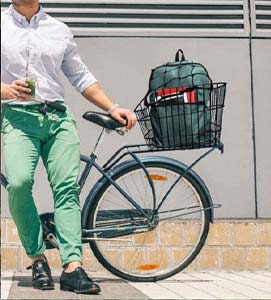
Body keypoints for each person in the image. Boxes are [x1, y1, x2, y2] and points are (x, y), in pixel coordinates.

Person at [1, 0, 136, 295]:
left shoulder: (58, 29)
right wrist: (6, 90)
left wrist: (113, 107)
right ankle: (37, 259)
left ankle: (73, 267)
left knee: (66, 188)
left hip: (58, 118)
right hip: (17, 116)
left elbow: (81, 76)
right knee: (19, 183)